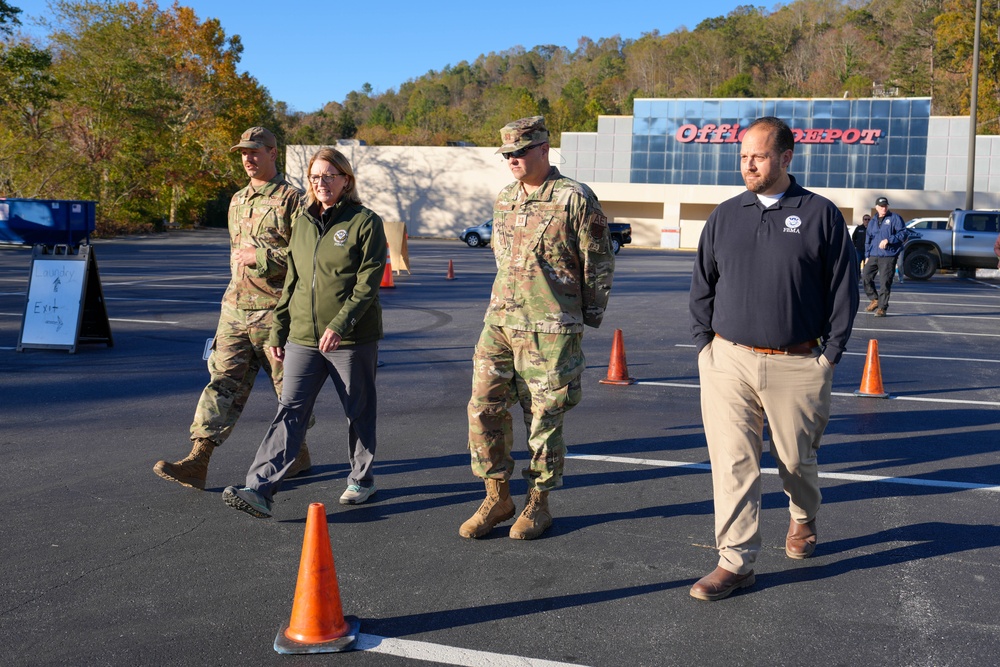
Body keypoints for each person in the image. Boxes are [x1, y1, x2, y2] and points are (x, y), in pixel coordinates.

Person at [688, 116, 858, 601]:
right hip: (728, 360)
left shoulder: (820, 214)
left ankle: (803, 516)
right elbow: (703, 283)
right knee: (733, 462)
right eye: (743, 157)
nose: (748, 165)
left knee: (794, 462)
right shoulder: (725, 214)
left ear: (786, 157)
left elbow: (843, 290)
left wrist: (829, 357)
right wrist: (705, 347)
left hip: (798, 364)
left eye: (758, 156)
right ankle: (735, 562)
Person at [459, 116, 615, 541]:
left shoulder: (574, 198)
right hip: (500, 323)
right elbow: (501, 256)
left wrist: (582, 318)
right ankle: (497, 495)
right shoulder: (505, 197)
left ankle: (538, 503)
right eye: (507, 153)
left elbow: (597, 262)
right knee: (482, 409)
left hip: (551, 328)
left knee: (543, 419)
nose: (512, 159)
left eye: (520, 151)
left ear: (544, 148)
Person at [223, 147, 387, 518]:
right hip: (301, 337)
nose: (322, 183)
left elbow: (367, 284)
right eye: (315, 177)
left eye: (330, 176)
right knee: (290, 410)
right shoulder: (302, 222)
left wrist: (339, 325)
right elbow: (293, 282)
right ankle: (259, 489)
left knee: (358, 411)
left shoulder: (365, 222)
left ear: (346, 180)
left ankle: (362, 480)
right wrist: (278, 330)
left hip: (351, 339)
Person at [153, 126, 312, 490]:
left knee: (288, 392)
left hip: (277, 313)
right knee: (221, 381)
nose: (248, 158)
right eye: (243, 152)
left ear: (274, 153)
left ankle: (298, 451)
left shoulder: (293, 200)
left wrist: (259, 256)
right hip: (236, 310)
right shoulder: (238, 199)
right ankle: (198, 460)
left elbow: (306, 257)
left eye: (256, 151)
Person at [862, 196, 907, 317]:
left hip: (888, 255)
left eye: (886, 206)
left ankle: (882, 308)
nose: (884, 208)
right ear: (876, 207)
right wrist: (867, 255)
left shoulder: (895, 218)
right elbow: (868, 239)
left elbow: (903, 233)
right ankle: (875, 299)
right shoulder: (872, 221)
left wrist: (889, 239)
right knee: (865, 276)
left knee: (885, 282)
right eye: (881, 206)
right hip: (873, 254)